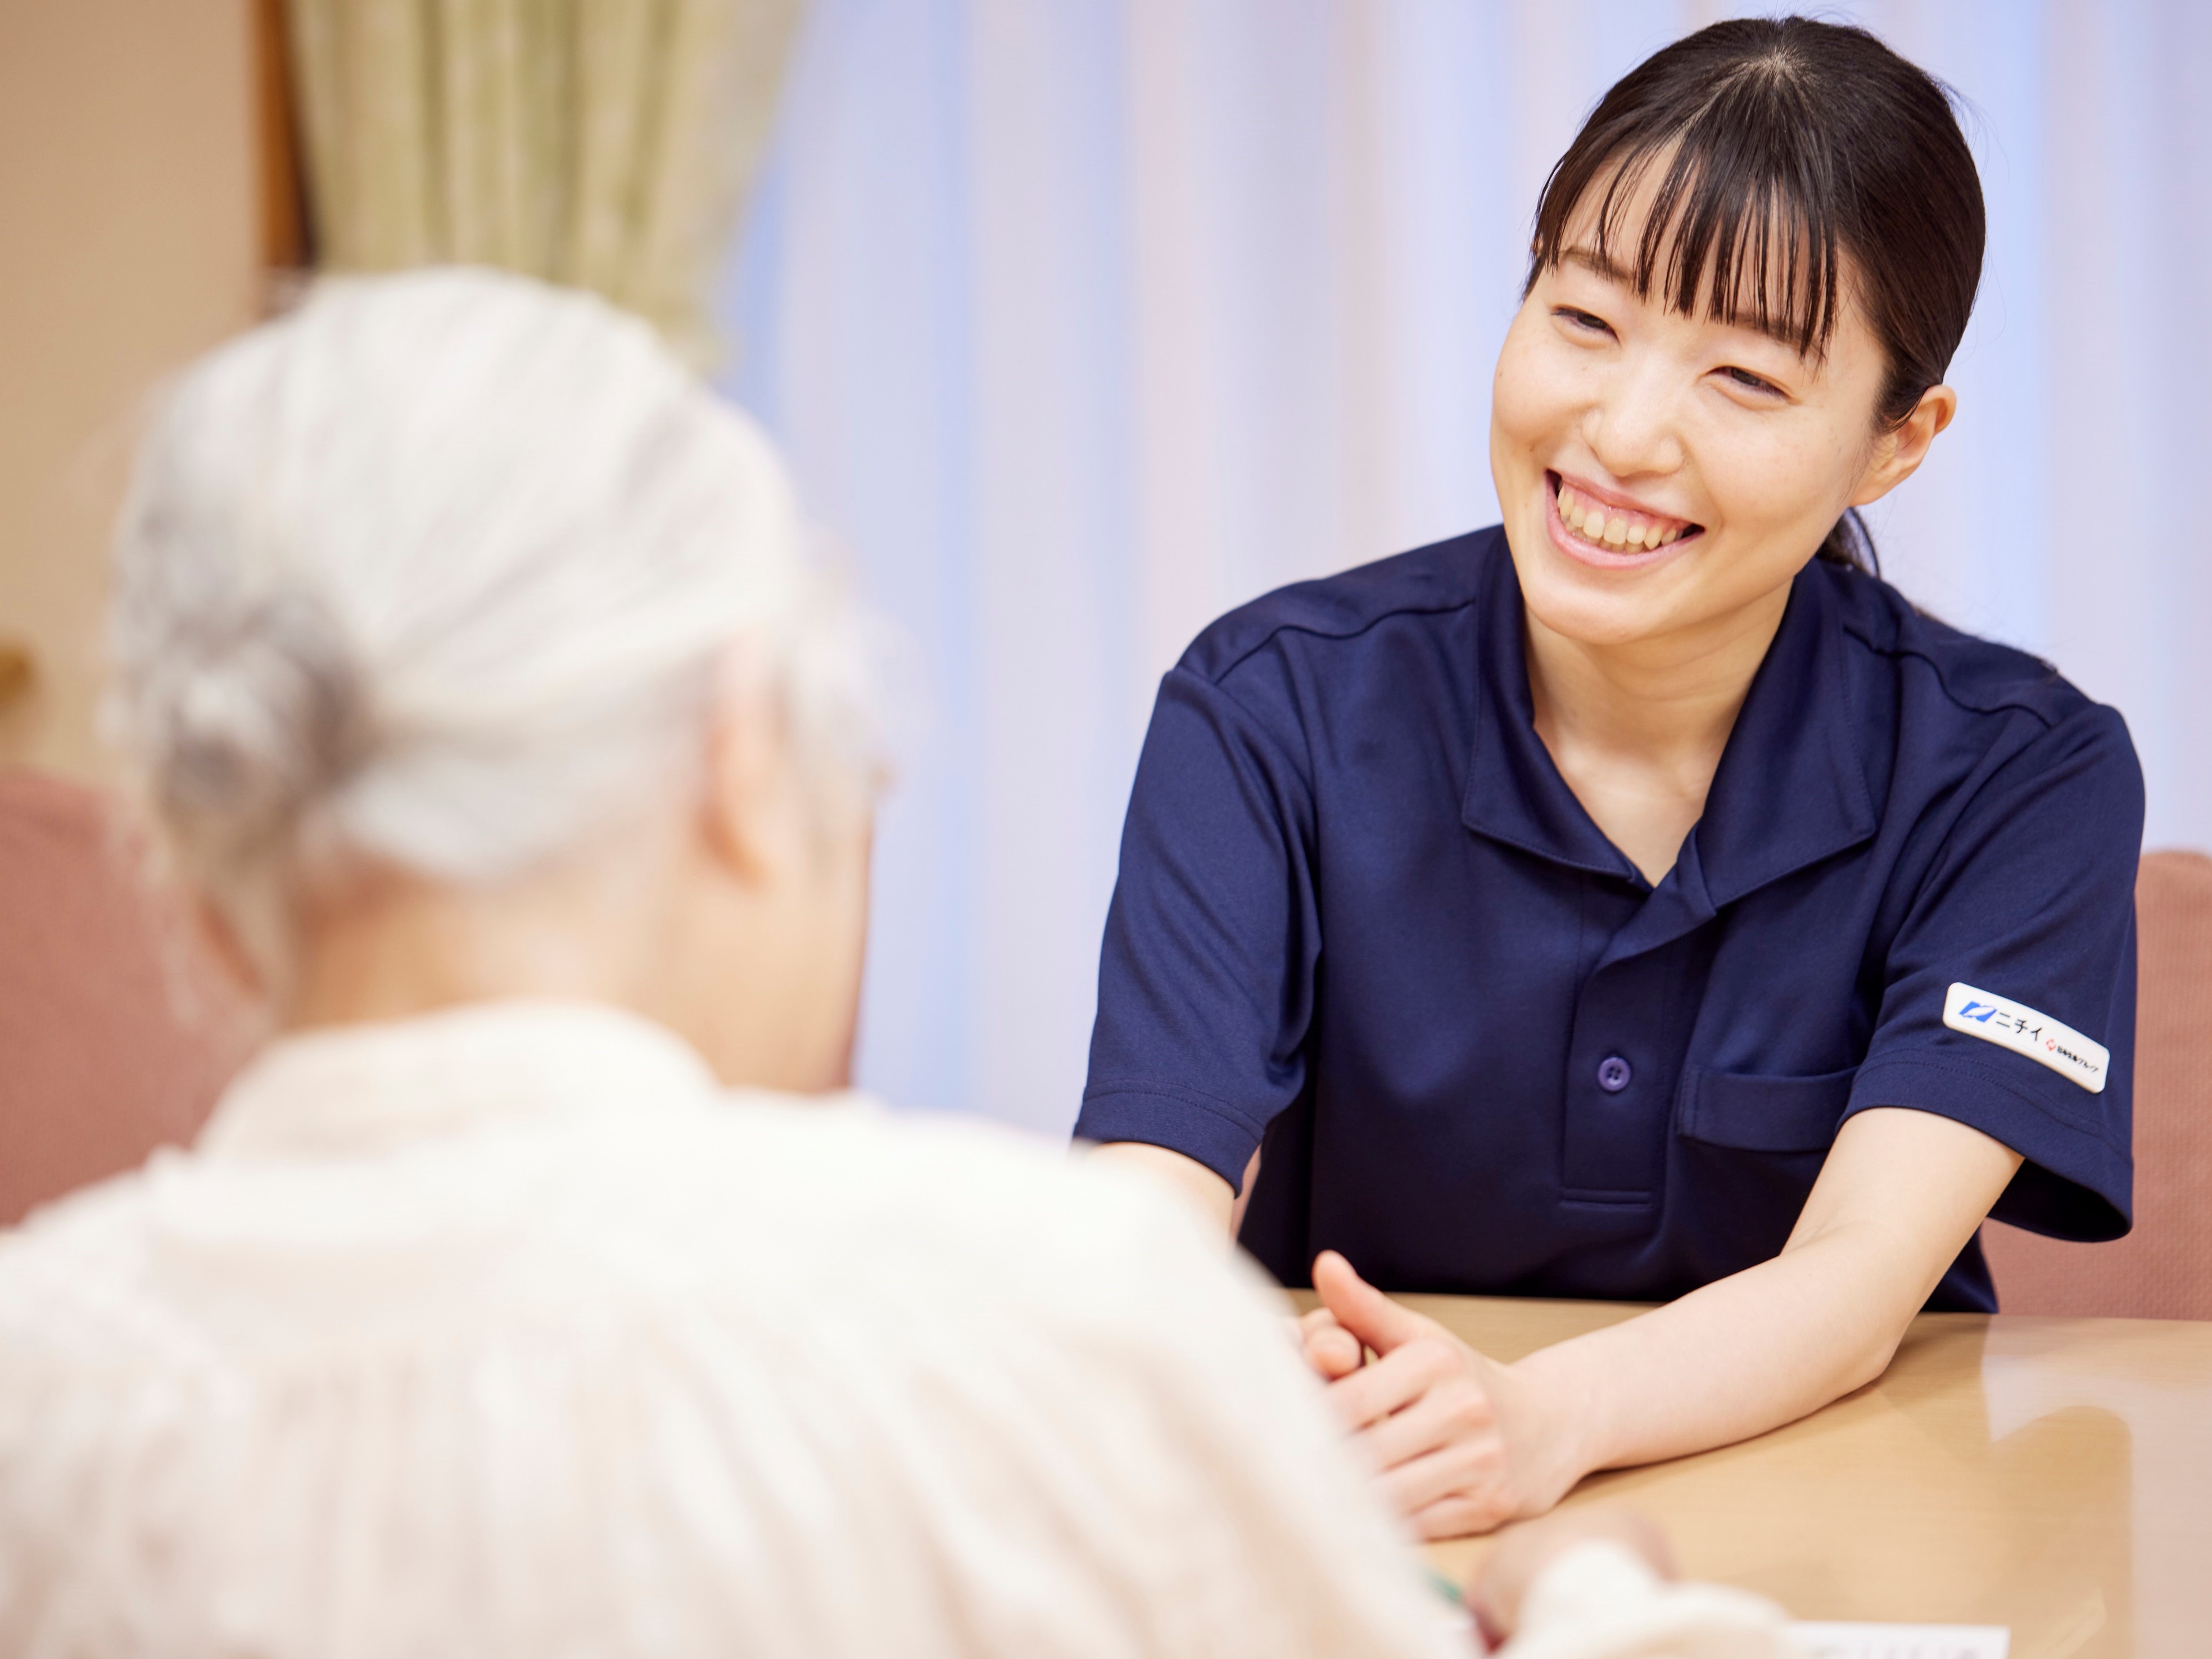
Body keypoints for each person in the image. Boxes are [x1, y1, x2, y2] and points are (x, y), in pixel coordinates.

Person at [0, 269, 1794, 1658]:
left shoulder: (41, 1386)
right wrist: (1595, 1602)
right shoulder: (1031, 1324)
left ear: (202, 857)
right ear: (738, 759)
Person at [1080, 16, 2141, 1542]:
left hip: (1835, 1533)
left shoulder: (2024, 775)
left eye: (1746, 378)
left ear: (1896, 443)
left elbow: (1857, 1279)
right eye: (1584, 317)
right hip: (1371, 1502)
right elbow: (1151, 1204)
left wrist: (1543, 1419)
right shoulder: (1270, 706)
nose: (1624, 434)